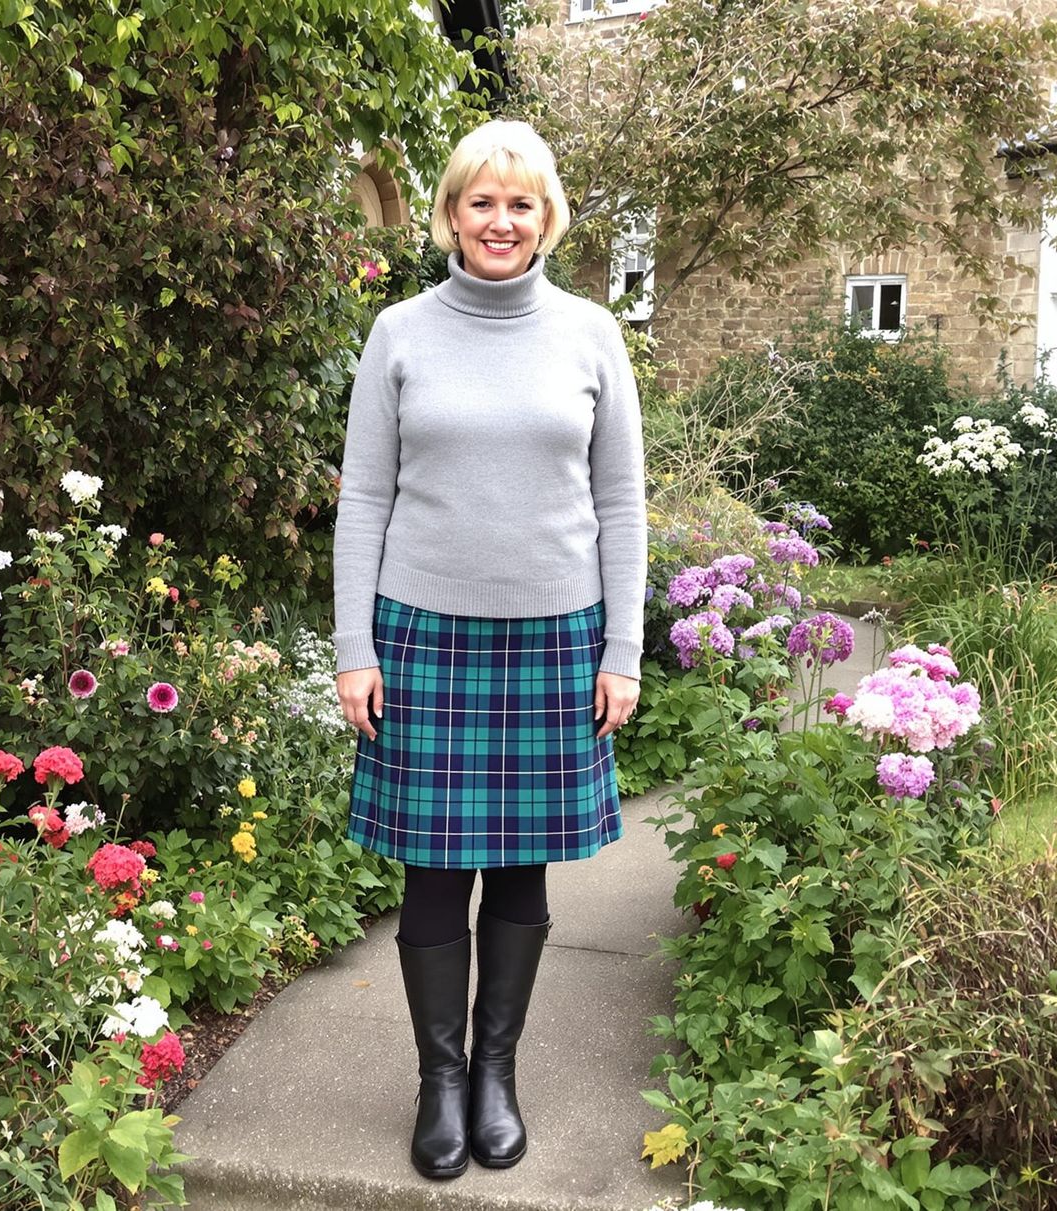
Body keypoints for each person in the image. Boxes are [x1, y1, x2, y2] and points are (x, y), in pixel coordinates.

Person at [332, 119, 647, 1180]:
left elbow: (622, 502)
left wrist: (623, 647)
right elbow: (364, 496)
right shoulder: (399, 333)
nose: (500, 221)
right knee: (432, 877)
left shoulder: (592, 333)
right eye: (480, 201)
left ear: (545, 214)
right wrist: (352, 646)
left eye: (520, 203)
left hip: (556, 637)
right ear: (451, 214)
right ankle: (438, 1078)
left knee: (519, 870)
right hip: (421, 630)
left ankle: (494, 1074)